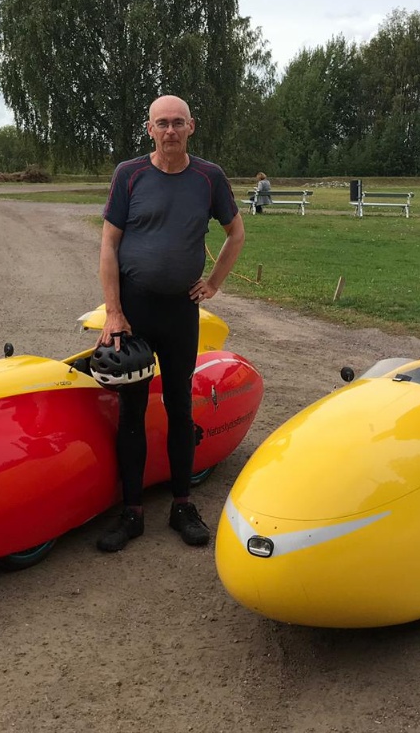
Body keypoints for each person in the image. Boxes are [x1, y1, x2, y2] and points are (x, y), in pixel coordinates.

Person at [95, 94, 246, 552]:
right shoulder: (129, 174)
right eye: (162, 123)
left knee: (181, 408)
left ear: (191, 127)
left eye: (178, 122)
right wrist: (114, 312)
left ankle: (182, 504)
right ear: (150, 129)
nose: (171, 130)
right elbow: (109, 245)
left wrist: (213, 283)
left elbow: (236, 232)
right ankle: (132, 511)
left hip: (181, 311)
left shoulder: (208, 177)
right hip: (134, 313)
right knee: (132, 412)